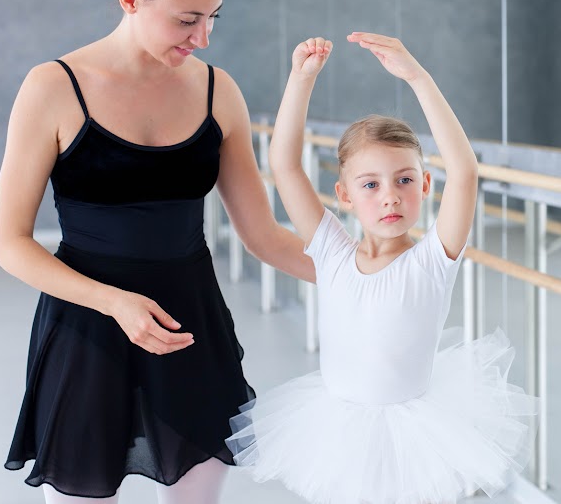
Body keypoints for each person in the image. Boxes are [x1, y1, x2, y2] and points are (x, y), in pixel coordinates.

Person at [0, 0, 314, 503]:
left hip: (191, 328)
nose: (203, 38)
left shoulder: (219, 91)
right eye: (187, 19)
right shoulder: (52, 87)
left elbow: (264, 235)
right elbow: (9, 243)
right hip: (87, 324)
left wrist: (367, 274)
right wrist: (115, 303)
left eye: (213, 18)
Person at [226, 33, 539, 504]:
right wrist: (300, 80)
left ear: (426, 185)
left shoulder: (433, 259)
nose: (390, 196)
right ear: (345, 195)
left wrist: (418, 77)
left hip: (413, 435)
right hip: (340, 429)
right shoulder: (332, 253)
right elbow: (285, 165)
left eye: (404, 180)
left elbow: (465, 171)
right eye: (370, 184)